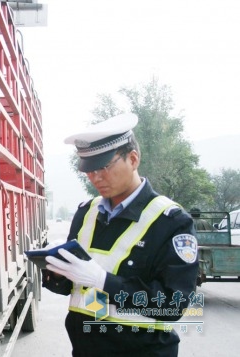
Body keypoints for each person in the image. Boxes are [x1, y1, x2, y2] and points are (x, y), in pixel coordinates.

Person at [43, 113, 199, 356]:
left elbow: (173, 304)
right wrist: (58, 271)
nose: (95, 178)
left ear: (133, 159)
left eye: (104, 167)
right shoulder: (86, 213)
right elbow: (72, 291)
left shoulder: (171, 221)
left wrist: (103, 282)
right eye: (89, 170)